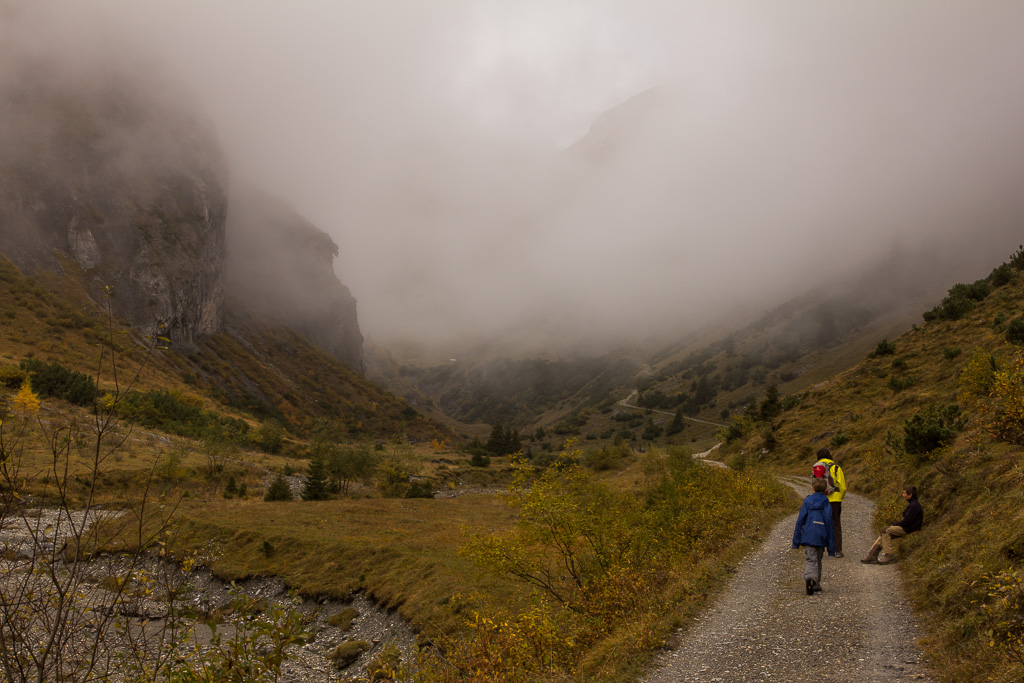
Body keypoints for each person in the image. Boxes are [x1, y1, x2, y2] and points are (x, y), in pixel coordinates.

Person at [792, 478, 836, 595]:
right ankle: (816, 583)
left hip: (809, 534)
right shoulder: (826, 502)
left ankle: (810, 578)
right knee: (818, 559)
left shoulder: (807, 501)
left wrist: (796, 541)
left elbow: (800, 521)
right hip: (822, 535)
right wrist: (831, 549)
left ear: (812, 488)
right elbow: (830, 524)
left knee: (811, 559)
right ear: (826, 490)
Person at [861, 484, 923, 565]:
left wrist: (893, 525)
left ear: (910, 495)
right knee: (884, 533)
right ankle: (872, 555)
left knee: (886, 531)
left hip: (910, 528)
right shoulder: (913, 504)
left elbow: (906, 522)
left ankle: (889, 556)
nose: (903, 495)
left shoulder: (914, 506)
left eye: (904, 493)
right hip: (908, 527)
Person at [813, 447, 847, 557]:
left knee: (820, 524)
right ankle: (837, 550)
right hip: (835, 500)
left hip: (820, 499)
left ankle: (820, 548)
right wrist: (839, 497)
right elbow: (843, 487)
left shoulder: (817, 467)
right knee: (835, 524)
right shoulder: (836, 467)